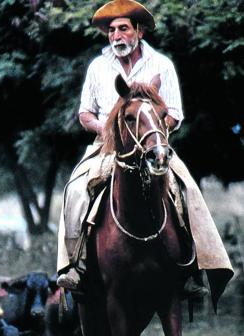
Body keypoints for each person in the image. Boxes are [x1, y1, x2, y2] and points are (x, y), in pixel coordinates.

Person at [56, 0, 233, 299]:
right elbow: (85, 114)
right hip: (107, 146)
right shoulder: (98, 66)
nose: (116, 36)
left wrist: (155, 135)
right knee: (74, 189)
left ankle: (195, 267)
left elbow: (174, 113)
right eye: (111, 31)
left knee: (187, 189)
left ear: (138, 31)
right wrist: (108, 130)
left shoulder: (161, 64)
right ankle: (73, 266)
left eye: (123, 29)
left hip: (154, 146)